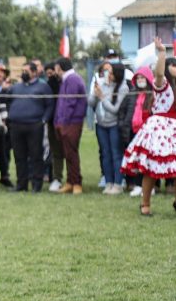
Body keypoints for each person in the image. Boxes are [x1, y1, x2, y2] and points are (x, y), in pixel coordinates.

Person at [121, 38, 176, 215]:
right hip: (160, 130)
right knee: (151, 169)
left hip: (173, 129)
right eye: (172, 65)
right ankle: (145, 204)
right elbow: (159, 74)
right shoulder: (163, 85)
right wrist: (161, 53)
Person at [6, 63, 53, 192]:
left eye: (26, 71)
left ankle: (36, 185)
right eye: (22, 71)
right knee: (19, 157)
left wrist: (44, 120)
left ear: (34, 72)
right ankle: (21, 184)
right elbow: (4, 99)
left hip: (35, 125)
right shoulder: (15, 87)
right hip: (16, 125)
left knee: (35, 156)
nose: (23, 73)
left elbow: (50, 105)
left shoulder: (43, 87)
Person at [89, 63, 128, 194]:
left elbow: (115, 110)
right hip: (101, 124)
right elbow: (91, 103)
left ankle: (118, 184)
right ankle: (108, 183)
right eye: (107, 72)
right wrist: (95, 94)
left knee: (116, 154)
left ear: (117, 75)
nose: (108, 75)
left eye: (111, 72)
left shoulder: (123, 87)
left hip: (114, 125)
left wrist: (102, 97)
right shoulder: (101, 83)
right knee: (105, 155)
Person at [52, 57, 88, 194]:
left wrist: (63, 122)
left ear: (59, 67)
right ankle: (70, 182)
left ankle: (77, 182)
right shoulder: (66, 80)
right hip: (65, 122)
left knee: (72, 153)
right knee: (67, 153)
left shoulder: (72, 79)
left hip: (71, 122)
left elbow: (70, 103)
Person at [44, 62, 65, 191]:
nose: (50, 76)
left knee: (65, 151)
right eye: (48, 74)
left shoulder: (63, 84)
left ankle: (69, 179)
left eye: (52, 72)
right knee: (55, 151)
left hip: (64, 122)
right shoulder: (48, 85)